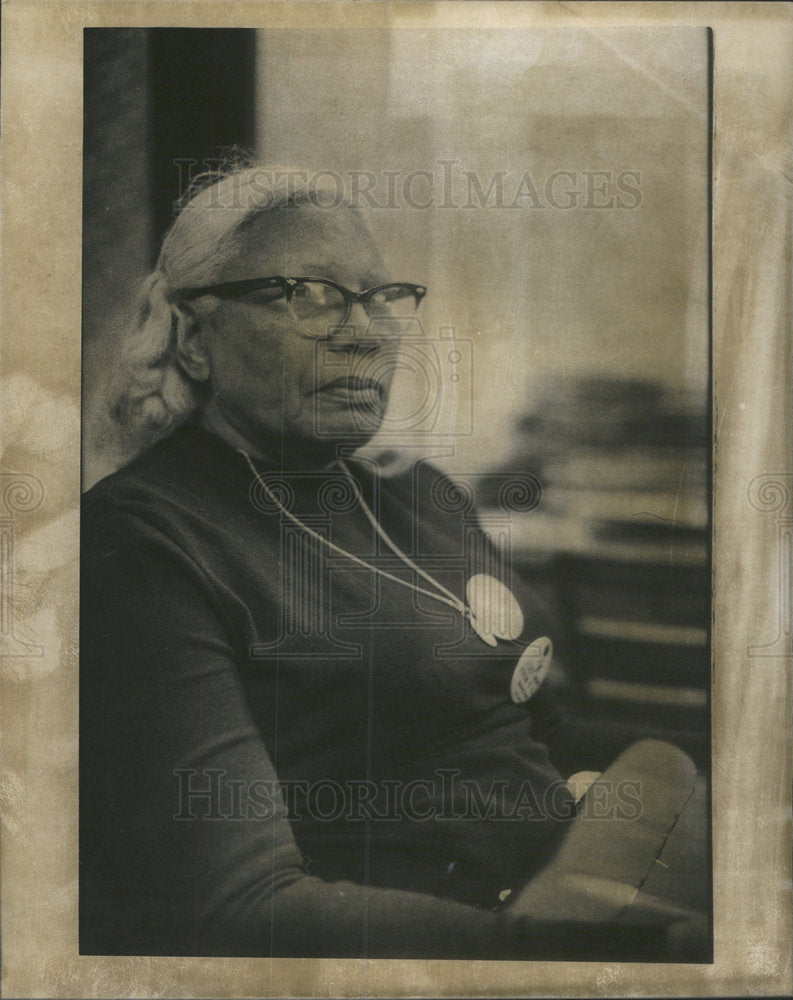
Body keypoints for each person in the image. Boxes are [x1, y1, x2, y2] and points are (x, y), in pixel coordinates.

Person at [80, 164, 708, 960]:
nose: (366, 330)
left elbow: (537, 732)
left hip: (592, 859)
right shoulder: (142, 544)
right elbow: (240, 908)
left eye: (381, 297)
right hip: (468, 941)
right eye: (305, 294)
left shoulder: (420, 494)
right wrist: (611, 957)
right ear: (195, 338)